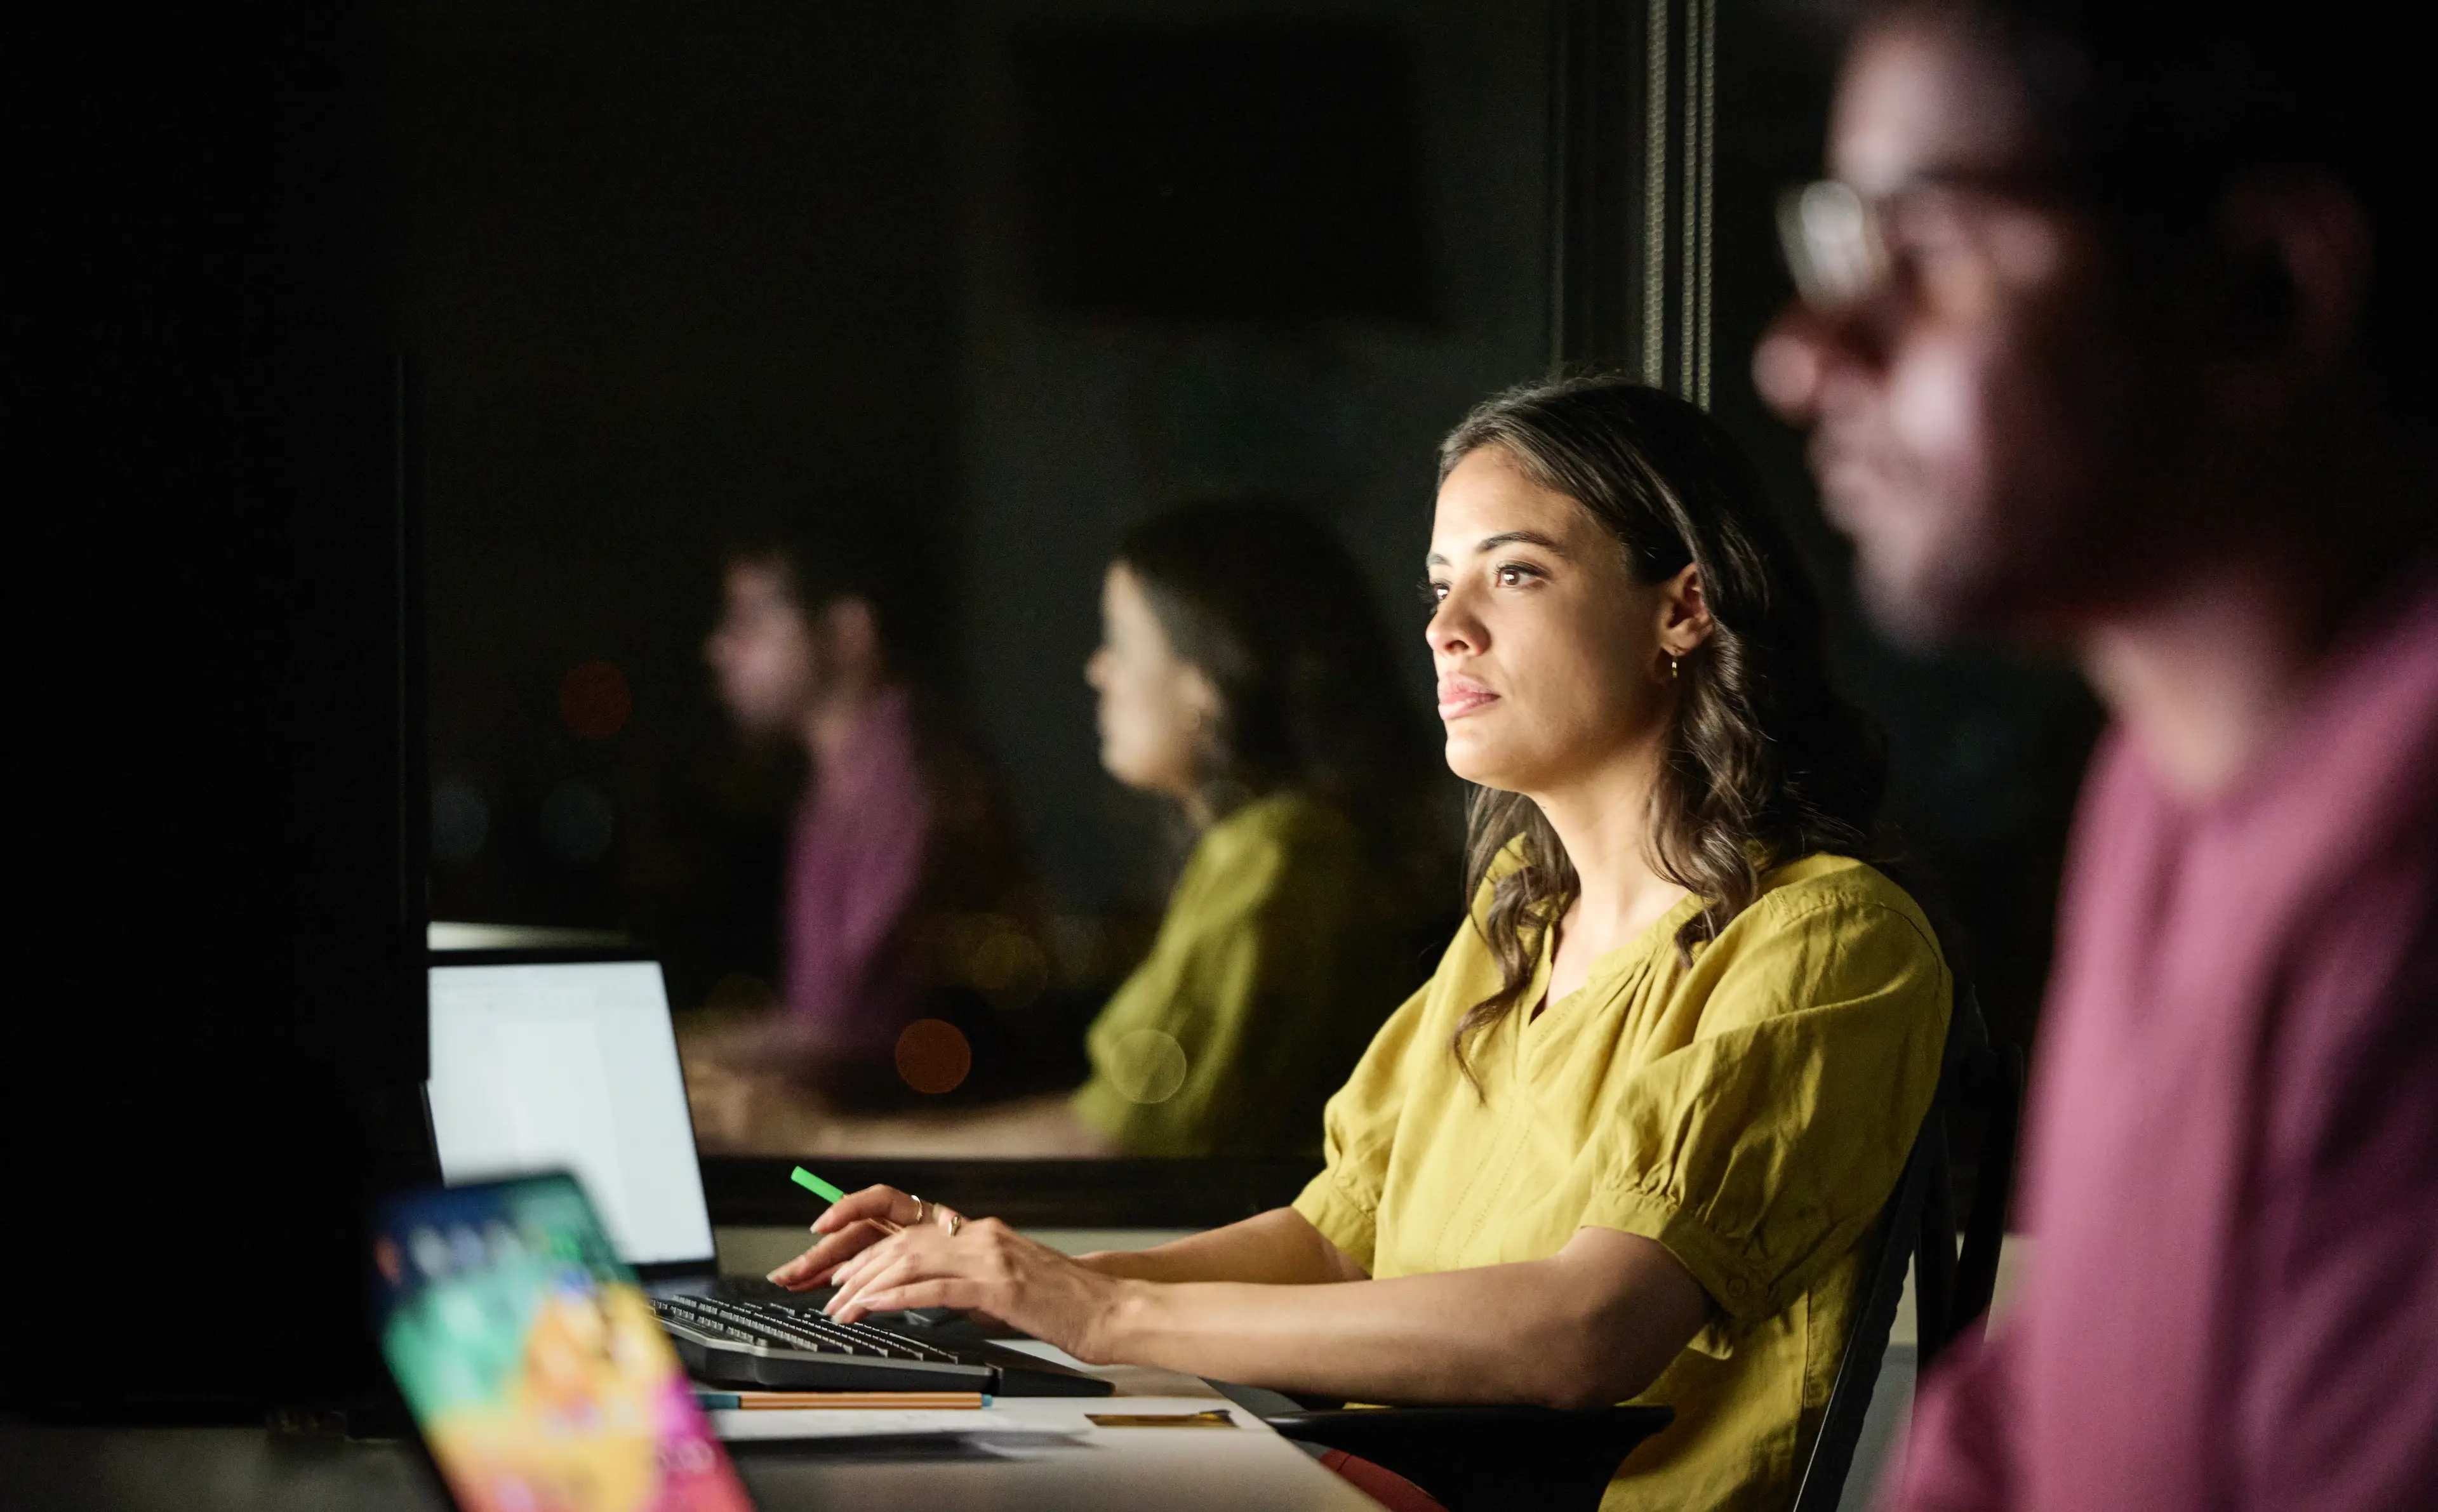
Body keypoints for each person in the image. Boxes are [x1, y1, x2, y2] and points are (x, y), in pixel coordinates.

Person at [766, 378, 1954, 1512]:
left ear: (1682, 608)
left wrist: (1102, 1314)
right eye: (1439, 584)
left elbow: (1586, 1331)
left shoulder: (1829, 942)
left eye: (1516, 575)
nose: (1445, 626)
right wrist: (1006, 1281)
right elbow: (1334, 1243)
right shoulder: (1519, 925)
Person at [1752, 3, 2438, 1508]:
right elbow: (2046, 1391)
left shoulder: (2405, 851)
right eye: (1833, 245)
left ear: (2259, 290)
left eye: (1919, 251)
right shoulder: (2153, 785)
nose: (1801, 359)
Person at [693, 517, 1051, 1109]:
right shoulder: (845, 776)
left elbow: (849, 1037)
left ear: (848, 631)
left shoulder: (906, 782)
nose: (721, 647)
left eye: (750, 617)